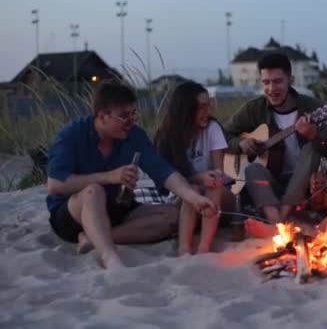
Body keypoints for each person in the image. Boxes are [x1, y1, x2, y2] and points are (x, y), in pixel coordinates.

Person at [46, 81, 217, 269]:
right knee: (93, 191)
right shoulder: (72, 134)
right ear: (103, 116)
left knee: (172, 216)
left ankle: (92, 238)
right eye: (123, 116)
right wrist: (109, 177)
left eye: (133, 114)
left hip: (116, 206)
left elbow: (163, 171)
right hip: (73, 213)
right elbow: (55, 184)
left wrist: (193, 198)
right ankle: (109, 256)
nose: (130, 121)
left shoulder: (133, 136)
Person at [223, 52, 327, 233]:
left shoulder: (313, 108)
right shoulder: (254, 109)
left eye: (278, 81)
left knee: (311, 148)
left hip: (305, 187)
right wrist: (240, 143)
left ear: (290, 80)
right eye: (266, 82)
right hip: (272, 186)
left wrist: (314, 135)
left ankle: (283, 218)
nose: (271, 89)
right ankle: (277, 224)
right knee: (252, 169)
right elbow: (225, 135)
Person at [154, 81, 236, 256]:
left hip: (219, 201)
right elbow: (169, 180)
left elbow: (219, 172)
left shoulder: (212, 128)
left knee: (213, 183)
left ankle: (203, 248)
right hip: (185, 201)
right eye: (201, 108)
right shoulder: (168, 137)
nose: (207, 112)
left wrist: (210, 178)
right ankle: (184, 249)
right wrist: (198, 178)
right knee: (193, 189)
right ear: (185, 110)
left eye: (208, 106)